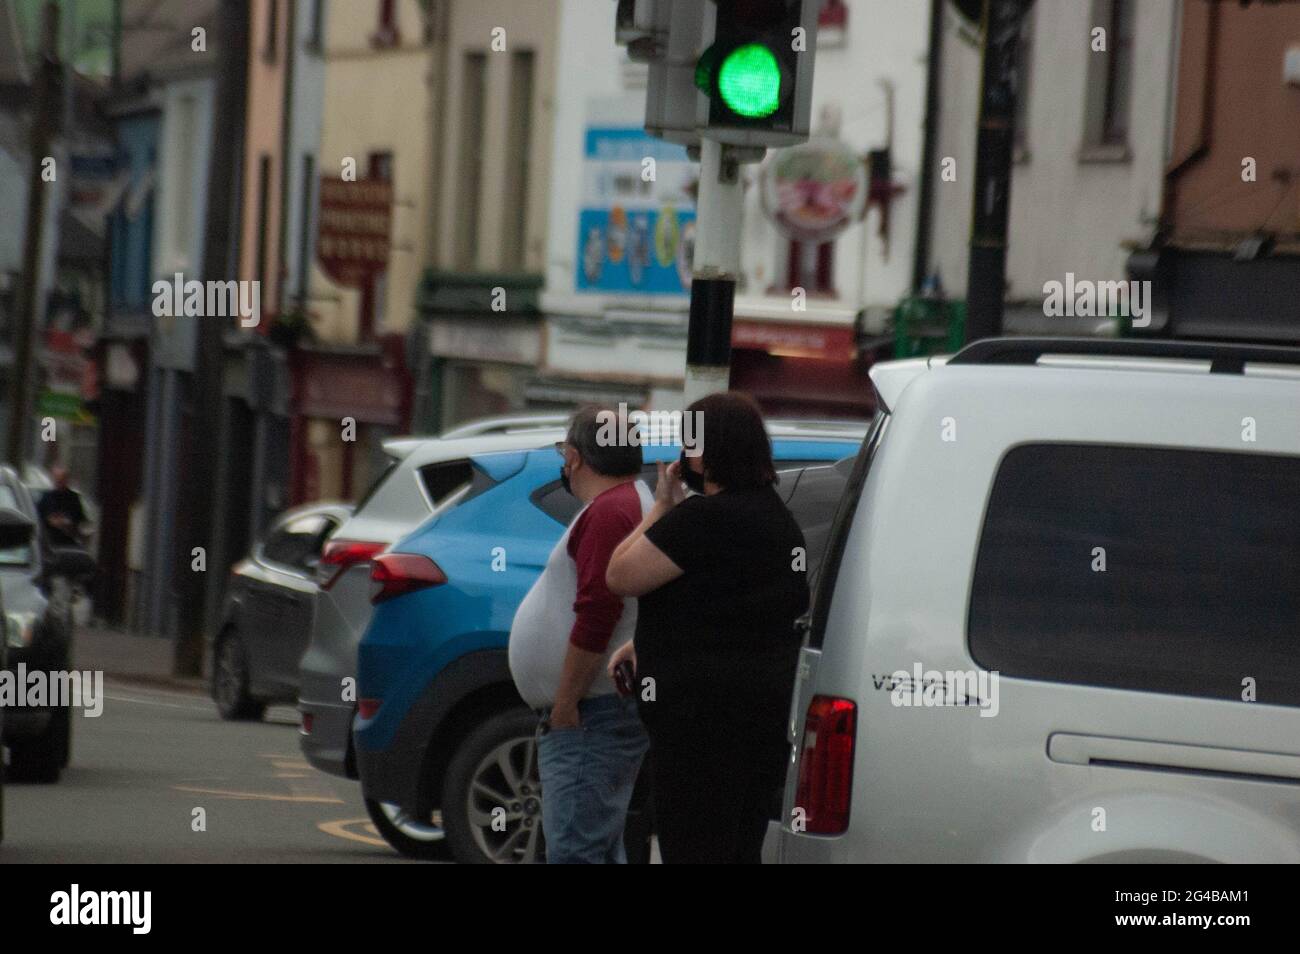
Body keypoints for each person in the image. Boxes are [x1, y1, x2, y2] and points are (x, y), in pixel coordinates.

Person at [606, 392, 809, 863]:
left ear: (711, 450)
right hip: (759, 718)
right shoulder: (777, 519)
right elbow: (728, 607)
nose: (683, 454)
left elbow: (620, 575)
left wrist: (661, 507)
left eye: (689, 443)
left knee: (691, 845)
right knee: (738, 847)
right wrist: (642, 642)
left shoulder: (702, 520)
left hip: (696, 726)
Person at [508, 406, 653, 864]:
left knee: (576, 849)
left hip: (592, 712)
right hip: (601, 707)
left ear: (572, 456)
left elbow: (597, 613)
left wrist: (566, 702)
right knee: (596, 847)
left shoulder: (612, 511)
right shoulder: (627, 502)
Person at [37, 465, 88, 548]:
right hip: (50, 541)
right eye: (57, 480)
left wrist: (68, 522)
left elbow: (81, 518)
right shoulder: (46, 497)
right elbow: (38, 516)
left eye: (62, 480)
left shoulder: (73, 498)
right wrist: (50, 520)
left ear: (67, 480)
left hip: (68, 542)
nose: (59, 483)